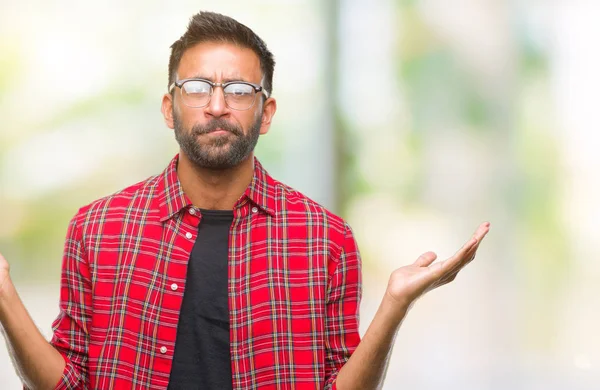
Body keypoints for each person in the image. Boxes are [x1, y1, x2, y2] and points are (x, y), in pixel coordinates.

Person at [0, 11, 489, 390]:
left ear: (266, 111)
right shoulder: (97, 228)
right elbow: (64, 383)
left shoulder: (325, 240)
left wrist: (394, 306)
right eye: (197, 87)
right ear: (170, 108)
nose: (216, 105)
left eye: (238, 89)